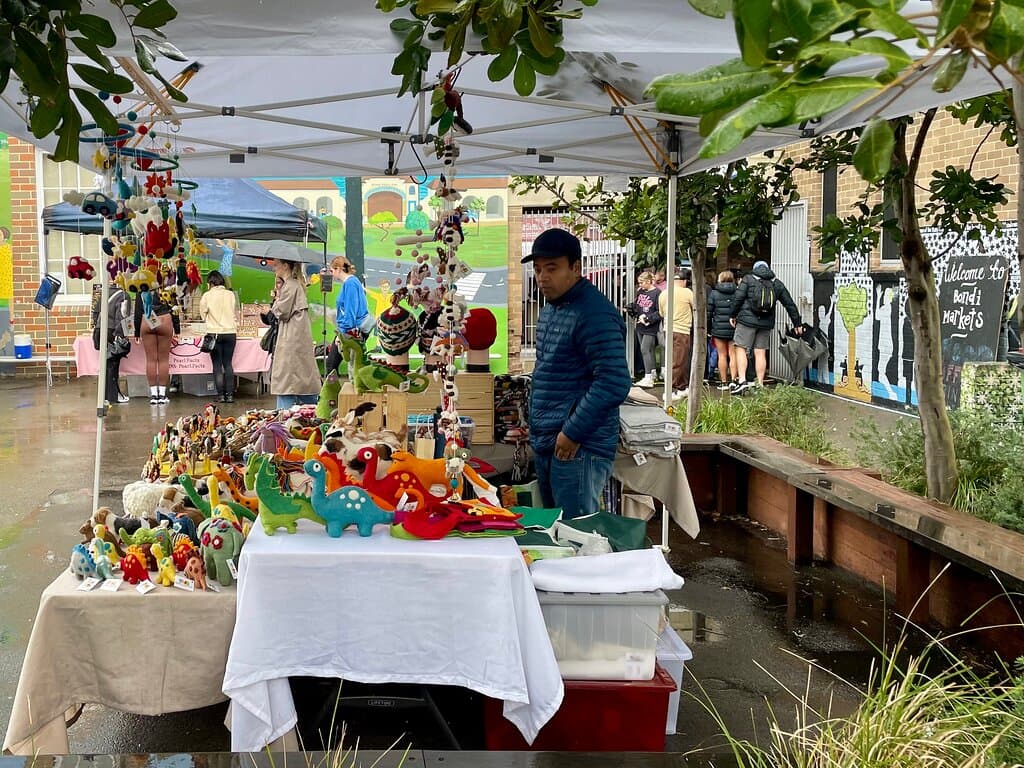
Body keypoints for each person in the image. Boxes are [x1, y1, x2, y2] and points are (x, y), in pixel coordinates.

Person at [525, 228, 631, 520]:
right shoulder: (551, 309)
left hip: (578, 446)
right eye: (537, 269)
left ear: (575, 267)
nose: (542, 277)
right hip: (549, 440)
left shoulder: (594, 313)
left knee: (578, 536)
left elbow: (613, 382)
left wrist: (572, 432)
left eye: (552, 268)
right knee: (553, 531)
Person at [729, 260, 802, 393]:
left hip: (746, 321)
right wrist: (797, 323)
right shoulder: (776, 283)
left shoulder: (748, 279)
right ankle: (760, 383)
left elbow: (738, 298)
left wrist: (732, 315)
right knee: (760, 352)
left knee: (740, 348)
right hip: (766, 323)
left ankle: (742, 380)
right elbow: (789, 304)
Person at [268, 255, 322, 409]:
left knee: (287, 381)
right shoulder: (294, 285)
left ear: (286, 266)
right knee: (302, 381)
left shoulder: (290, 286)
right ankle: (314, 409)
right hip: (295, 339)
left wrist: (275, 300)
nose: (274, 267)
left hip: (291, 340)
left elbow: (281, 311)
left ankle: (283, 418)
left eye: (276, 264)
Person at [325, 255, 372, 374]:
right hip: (351, 329)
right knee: (337, 364)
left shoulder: (350, 284)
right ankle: (333, 390)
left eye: (332, 270)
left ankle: (333, 391)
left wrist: (343, 333)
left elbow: (350, 311)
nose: (331, 274)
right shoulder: (351, 282)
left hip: (351, 330)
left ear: (339, 269)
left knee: (334, 365)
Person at [134, 286, 178, 405]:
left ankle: (154, 395)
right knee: (163, 360)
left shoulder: (142, 287)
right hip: (165, 319)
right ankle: (162, 395)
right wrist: (177, 329)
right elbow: (174, 308)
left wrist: (136, 332)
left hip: (148, 318)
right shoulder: (167, 286)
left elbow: (138, 311)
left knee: (151, 360)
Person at [199, 269, 238, 403]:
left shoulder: (207, 296)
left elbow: (203, 315)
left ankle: (221, 395)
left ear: (210, 282)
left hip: (214, 333)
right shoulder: (230, 295)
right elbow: (234, 310)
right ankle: (230, 395)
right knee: (228, 364)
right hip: (230, 332)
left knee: (217, 365)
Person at [657, 267, 695, 400]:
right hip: (682, 330)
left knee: (675, 358)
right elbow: (696, 307)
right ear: (684, 281)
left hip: (668, 329)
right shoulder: (687, 292)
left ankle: (682, 386)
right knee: (679, 361)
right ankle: (672, 390)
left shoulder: (664, 293)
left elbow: (661, 312)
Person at [93, 278, 130, 405]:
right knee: (113, 364)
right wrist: (122, 335)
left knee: (105, 364)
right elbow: (123, 316)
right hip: (112, 330)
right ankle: (113, 396)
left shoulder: (103, 294)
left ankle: (104, 396)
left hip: (99, 330)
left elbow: (95, 313)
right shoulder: (124, 295)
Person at [629, 271, 662, 388]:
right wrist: (632, 309)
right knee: (649, 350)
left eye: (642, 282)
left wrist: (648, 318)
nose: (640, 285)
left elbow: (660, 311)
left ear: (648, 281)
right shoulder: (640, 292)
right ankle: (652, 372)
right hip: (640, 324)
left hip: (650, 325)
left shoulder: (657, 293)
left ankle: (648, 376)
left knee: (645, 348)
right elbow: (638, 306)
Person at [707, 270, 738, 390]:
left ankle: (723, 382)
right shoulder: (738, 292)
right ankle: (734, 380)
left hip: (719, 328)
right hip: (734, 328)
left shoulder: (714, 293)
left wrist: (709, 329)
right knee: (733, 354)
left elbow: (709, 313)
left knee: (722, 355)